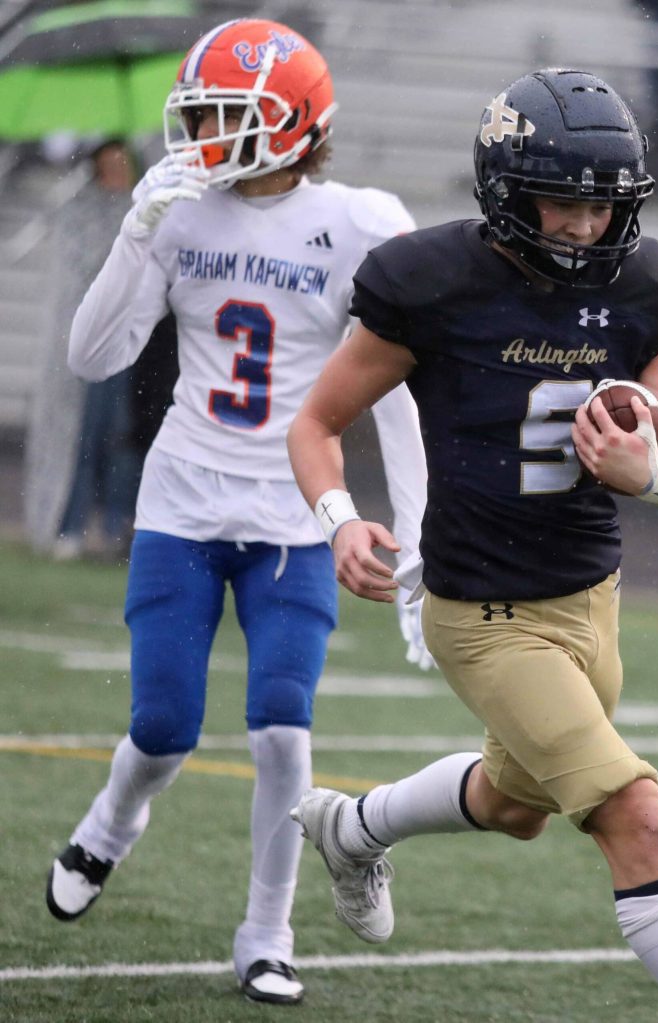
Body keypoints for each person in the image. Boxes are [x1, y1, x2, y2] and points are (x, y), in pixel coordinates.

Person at [287, 69, 658, 1022]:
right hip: (483, 612)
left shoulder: (648, 287)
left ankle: (352, 827)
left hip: (592, 598)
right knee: (637, 815)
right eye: (565, 201)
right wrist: (341, 521)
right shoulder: (432, 282)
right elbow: (317, 422)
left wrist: (650, 478)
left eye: (604, 206)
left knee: (516, 803)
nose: (586, 226)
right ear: (505, 189)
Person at [44, 17, 429, 1007]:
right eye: (200, 110)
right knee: (165, 726)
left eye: (228, 114)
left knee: (280, 733)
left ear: (294, 124)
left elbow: (391, 390)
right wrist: (135, 233)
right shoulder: (178, 212)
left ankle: (266, 932)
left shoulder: (356, 222)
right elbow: (92, 357)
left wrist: (417, 535)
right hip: (181, 498)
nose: (205, 132)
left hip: (297, 512)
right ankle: (114, 819)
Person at [24, 138, 142, 561]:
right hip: (89, 339)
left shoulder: (140, 208)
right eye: (109, 163)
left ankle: (114, 526)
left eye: (122, 162)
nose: (117, 171)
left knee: (121, 434)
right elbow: (84, 272)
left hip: (128, 343)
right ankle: (69, 523)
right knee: (84, 434)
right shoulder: (82, 210)